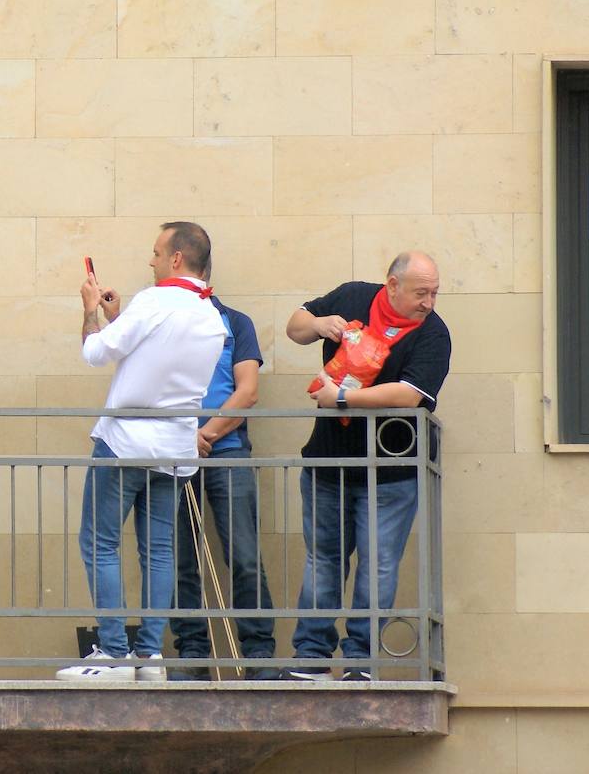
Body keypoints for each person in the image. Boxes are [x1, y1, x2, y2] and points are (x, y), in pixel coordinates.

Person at [58, 222, 225, 683]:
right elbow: (156, 359)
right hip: (173, 448)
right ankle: (149, 656)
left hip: (125, 442)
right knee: (158, 552)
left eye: (155, 253)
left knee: (100, 543)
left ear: (175, 259)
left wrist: (91, 311)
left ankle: (113, 653)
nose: (149, 262)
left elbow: (96, 353)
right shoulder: (211, 315)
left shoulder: (154, 301)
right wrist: (120, 318)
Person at [284, 252, 451, 682]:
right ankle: (312, 658)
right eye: (420, 292)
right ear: (392, 285)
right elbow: (295, 327)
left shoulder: (434, 335)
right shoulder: (354, 297)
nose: (428, 302)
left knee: (377, 567)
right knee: (323, 560)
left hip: (392, 472)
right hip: (329, 462)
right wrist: (321, 324)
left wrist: (341, 398)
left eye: (433, 292)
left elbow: (408, 395)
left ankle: (359, 662)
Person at [168, 263, 278, 681]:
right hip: (174, 455)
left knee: (245, 555)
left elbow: (247, 390)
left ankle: (259, 654)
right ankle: (192, 652)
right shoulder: (165, 324)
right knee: (180, 559)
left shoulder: (234, 321)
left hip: (226, 450)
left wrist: (205, 435)